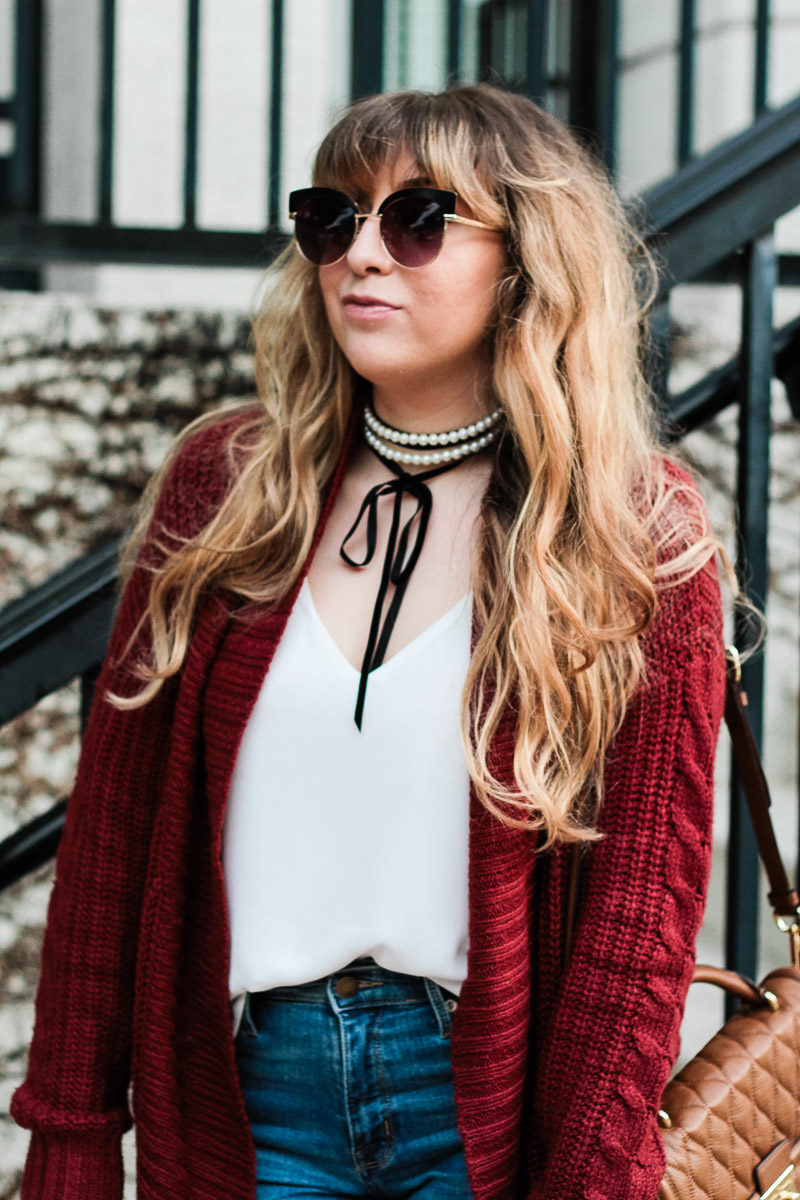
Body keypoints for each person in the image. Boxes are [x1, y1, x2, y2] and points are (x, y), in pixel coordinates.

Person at [11, 83, 726, 1200]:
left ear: (525, 262)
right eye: (332, 219)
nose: (361, 256)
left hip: (479, 1112)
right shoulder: (228, 488)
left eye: (419, 219)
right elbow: (109, 845)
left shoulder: (630, 535)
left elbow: (635, 934)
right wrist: (69, 1137)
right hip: (251, 1102)